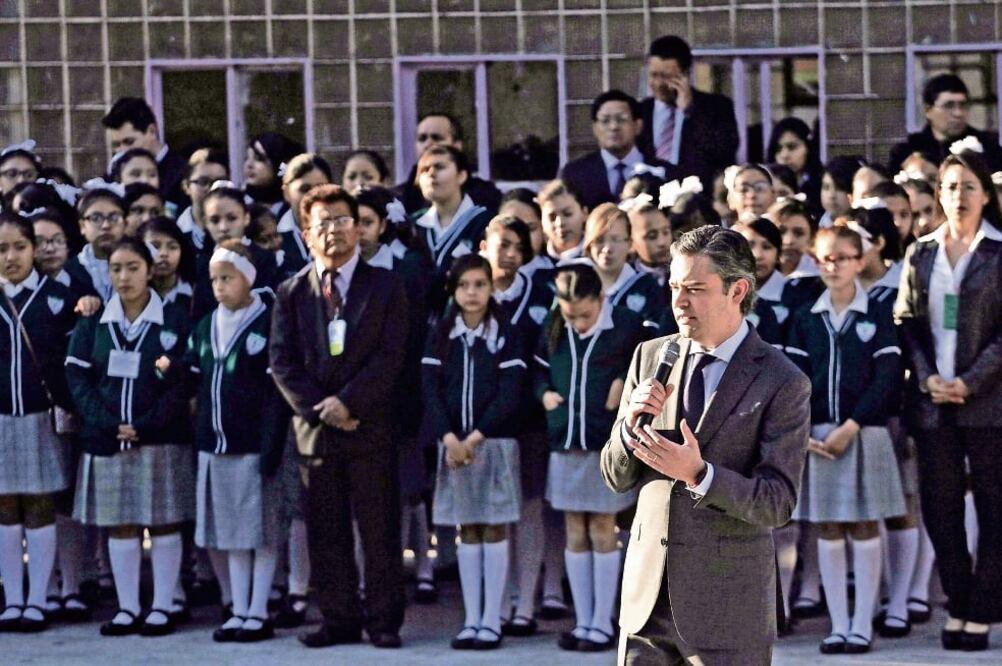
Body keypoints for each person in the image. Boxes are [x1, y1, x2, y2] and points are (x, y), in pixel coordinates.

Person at [602, 225, 811, 665]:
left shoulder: (783, 379)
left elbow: (777, 502)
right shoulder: (651, 355)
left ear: (737, 290)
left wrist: (699, 475)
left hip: (728, 609)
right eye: (675, 286)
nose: (679, 302)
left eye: (695, 289)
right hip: (646, 606)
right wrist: (627, 427)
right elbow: (615, 476)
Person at [269, 184, 408, 649]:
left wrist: (350, 403)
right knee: (325, 533)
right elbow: (282, 361)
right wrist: (322, 409)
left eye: (342, 220)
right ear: (306, 233)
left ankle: (384, 621)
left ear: (359, 228)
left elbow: (392, 356)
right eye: (322, 223)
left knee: (379, 530)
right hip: (316, 434)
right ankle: (338, 619)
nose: (333, 231)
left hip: (370, 427)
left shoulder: (387, 286)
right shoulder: (291, 292)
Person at [895, 149, 1002, 652]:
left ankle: (982, 610)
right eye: (951, 186)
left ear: (987, 196)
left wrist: (970, 380)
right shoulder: (920, 252)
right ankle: (959, 603)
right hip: (934, 401)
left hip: (989, 402)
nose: (959, 196)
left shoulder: (999, 252)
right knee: (940, 509)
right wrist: (929, 376)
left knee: (994, 507)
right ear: (939, 193)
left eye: (969, 187)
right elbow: (907, 321)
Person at [786, 224, 906, 655]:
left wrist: (851, 426)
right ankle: (837, 625)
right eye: (824, 258)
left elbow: (888, 378)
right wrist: (803, 431)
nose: (832, 265)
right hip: (816, 436)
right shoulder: (806, 316)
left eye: (842, 257)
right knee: (829, 526)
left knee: (865, 523)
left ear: (860, 260)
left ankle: (862, 624)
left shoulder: (878, 313)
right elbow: (795, 381)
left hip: (863, 432)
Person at [66, 237, 195, 637]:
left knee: (163, 522)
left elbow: (183, 381)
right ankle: (127, 607)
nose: (124, 277)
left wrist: (148, 422)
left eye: (132, 267)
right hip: (108, 439)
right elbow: (78, 377)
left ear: (149, 269)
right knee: (119, 523)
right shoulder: (93, 321)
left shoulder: (175, 318)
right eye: (116, 269)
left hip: (159, 438)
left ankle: (162, 605)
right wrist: (106, 422)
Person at [160, 240, 286, 643]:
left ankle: (259, 608)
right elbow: (195, 375)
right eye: (214, 279)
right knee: (231, 531)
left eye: (227, 278)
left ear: (248, 279)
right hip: (214, 445)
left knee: (260, 531)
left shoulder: (267, 323)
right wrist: (172, 371)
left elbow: (275, 397)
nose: (219, 286)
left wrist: (271, 449)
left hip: (252, 446)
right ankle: (237, 607)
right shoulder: (204, 325)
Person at [534, 264, 646, 653]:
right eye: (570, 316)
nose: (578, 323)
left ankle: (604, 622)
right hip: (566, 441)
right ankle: (582, 621)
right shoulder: (554, 327)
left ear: (601, 299)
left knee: (603, 528)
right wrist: (543, 394)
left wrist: (622, 383)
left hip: (604, 445)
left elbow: (648, 364)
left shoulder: (627, 326)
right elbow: (537, 368)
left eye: (585, 314)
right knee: (574, 531)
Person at [423, 254, 524, 651]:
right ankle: (472, 619)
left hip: (493, 444)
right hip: (454, 447)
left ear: (490, 287)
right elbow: (430, 388)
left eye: (480, 284)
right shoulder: (440, 332)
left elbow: (510, 392)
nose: (472, 292)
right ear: (453, 289)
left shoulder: (507, 331)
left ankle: (492, 621)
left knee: (494, 526)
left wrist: (475, 436)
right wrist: (449, 438)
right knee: (468, 528)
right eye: (464, 285)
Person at [0, 214, 78, 632]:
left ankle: (39, 599)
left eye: (18, 247)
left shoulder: (57, 296)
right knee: (5, 506)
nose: (10, 257)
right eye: (1, 249)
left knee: (41, 504)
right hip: (0, 419)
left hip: (41, 418)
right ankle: (13, 599)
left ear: (33, 249)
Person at [480, 215, 552, 634]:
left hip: (528, 422)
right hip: (484, 424)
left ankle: (525, 604)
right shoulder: (469, 292)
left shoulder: (541, 294)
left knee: (527, 511)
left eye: (516, 247)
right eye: (500, 243)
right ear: (484, 245)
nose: (507, 252)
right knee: (494, 517)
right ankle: (497, 604)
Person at [638, 35, 739, 189]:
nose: (658, 84)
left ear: (685, 74)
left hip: (698, 194)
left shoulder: (717, 107)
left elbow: (723, 153)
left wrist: (689, 113)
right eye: (653, 75)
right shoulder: (640, 111)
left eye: (666, 77)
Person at [411, 145, 494, 316]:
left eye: (440, 167)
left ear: (462, 175)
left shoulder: (485, 221)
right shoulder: (411, 225)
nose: (431, 174)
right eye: (425, 170)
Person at [561, 90, 672, 212]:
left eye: (621, 119)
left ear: (638, 125)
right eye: (605, 120)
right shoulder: (574, 174)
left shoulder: (664, 173)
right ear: (595, 128)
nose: (614, 127)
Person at [190, 183, 279, 322]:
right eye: (215, 220)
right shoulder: (201, 263)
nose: (224, 227)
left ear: (246, 218)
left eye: (232, 218)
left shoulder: (264, 259)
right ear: (205, 222)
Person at [889, 74, 1002, 172]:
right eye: (949, 106)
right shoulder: (908, 151)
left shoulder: (987, 147)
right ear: (928, 110)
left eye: (963, 105)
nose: (958, 113)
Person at [395, 113, 502, 214]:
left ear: (457, 145)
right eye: (422, 139)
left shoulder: (486, 196)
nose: (428, 144)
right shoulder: (398, 198)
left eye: (436, 138)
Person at [582, 203, 664, 330]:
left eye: (615, 239)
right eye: (599, 240)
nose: (607, 248)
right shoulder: (578, 285)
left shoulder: (647, 287)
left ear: (629, 243)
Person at [101, 97, 188, 209]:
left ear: (151, 131)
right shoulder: (114, 172)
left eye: (129, 142)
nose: (121, 150)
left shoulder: (182, 173)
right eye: (116, 145)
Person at [64, 183, 127, 305]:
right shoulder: (69, 271)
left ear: (125, 223)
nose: (106, 226)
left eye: (114, 217)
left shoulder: (138, 265)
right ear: (82, 226)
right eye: (96, 218)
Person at [276, 153, 333, 273]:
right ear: (286, 193)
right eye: (304, 189)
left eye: (320, 188)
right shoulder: (273, 235)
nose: (312, 196)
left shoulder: (344, 232)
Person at [176, 148, 230, 254]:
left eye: (220, 181)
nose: (212, 188)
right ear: (186, 186)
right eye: (203, 182)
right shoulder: (175, 232)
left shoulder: (242, 228)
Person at [768, 118, 823, 211]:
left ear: (808, 148)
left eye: (792, 147)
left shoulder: (822, 184)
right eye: (778, 149)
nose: (784, 155)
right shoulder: (766, 185)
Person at [243, 132, 304, 214]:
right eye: (247, 158)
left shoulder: (297, 209)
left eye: (259, 159)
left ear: (278, 163)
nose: (249, 164)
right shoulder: (237, 203)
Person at [623, 190, 672, 288]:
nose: (662, 242)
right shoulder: (625, 279)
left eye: (666, 232)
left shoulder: (683, 271)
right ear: (630, 242)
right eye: (652, 236)